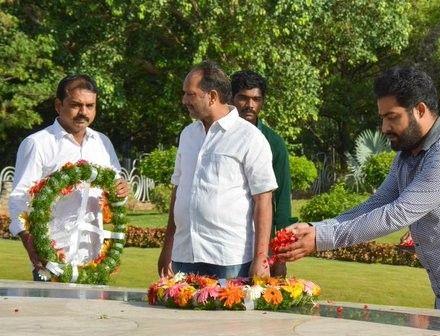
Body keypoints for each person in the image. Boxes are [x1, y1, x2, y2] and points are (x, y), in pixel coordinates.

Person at [279, 66, 440, 317]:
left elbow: (397, 214)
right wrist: (316, 228)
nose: (384, 128)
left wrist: (321, 238)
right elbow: (377, 203)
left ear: (419, 110)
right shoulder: (407, 157)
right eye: (382, 118)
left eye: (392, 117)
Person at [157, 61, 278, 279]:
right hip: (185, 254)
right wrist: (168, 248)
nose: (184, 100)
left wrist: (261, 257)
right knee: (179, 315)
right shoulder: (188, 135)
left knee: (228, 315)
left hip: (228, 258)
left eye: (190, 94)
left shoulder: (249, 137)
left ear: (212, 96)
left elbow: (263, 200)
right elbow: (178, 192)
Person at [8, 74, 129, 281]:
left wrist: (121, 191)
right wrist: (28, 240)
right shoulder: (38, 144)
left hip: (94, 260)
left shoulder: (102, 143)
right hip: (52, 259)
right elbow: (19, 198)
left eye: (90, 106)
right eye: (76, 105)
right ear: (58, 105)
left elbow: (115, 190)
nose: (84, 112)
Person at [231, 70, 293, 277]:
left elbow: (282, 200)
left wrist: (280, 255)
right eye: (243, 98)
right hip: (225, 239)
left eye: (256, 99)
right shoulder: (217, 136)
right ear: (231, 98)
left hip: (260, 241)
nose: (250, 105)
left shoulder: (273, 142)